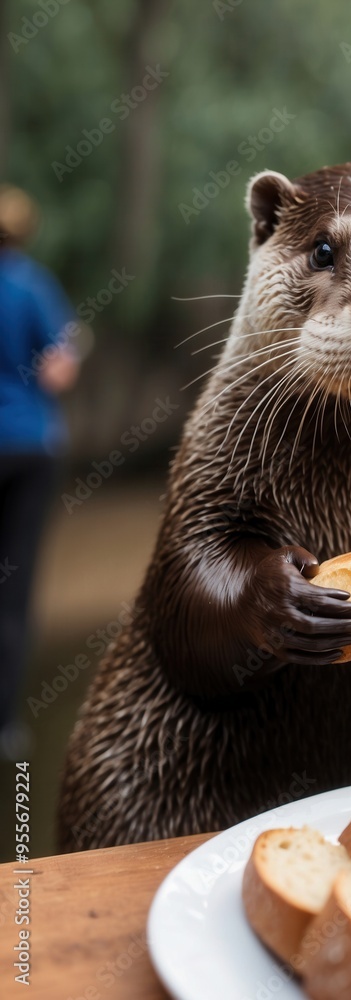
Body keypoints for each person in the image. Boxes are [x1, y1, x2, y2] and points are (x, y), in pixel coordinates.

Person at [0, 185, 81, 759]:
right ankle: (5, 725)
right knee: (14, 588)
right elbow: (57, 374)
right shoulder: (32, 285)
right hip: (29, 447)